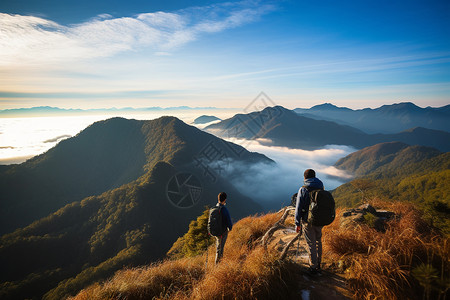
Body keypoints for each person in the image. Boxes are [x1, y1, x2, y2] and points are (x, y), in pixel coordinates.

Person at [295, 169, 324, 275]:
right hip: (320, 219)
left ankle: (313, 267)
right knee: (318, 241)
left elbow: (298, 208)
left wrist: (297, 223)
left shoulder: (303, 189)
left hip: (308, 221)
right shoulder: (321, 186)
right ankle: (319, 264)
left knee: (311, 243)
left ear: (305, 178)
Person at [215, 192, 233, 264]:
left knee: (218, 247)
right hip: (222, 232)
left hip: (216, 232)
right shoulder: (224, 209)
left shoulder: (215, 208)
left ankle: (218, 264)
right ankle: (218, 266)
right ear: (225, 200)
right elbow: (229, 222)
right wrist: (229, 229)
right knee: (220, 249)